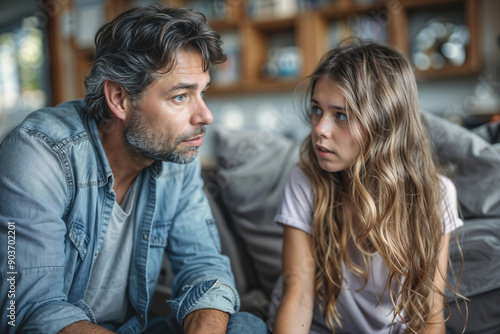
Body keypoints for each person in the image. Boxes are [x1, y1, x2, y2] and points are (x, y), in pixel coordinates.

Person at [0, 5, 269, 334]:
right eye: (181, 96)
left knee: (245, 325)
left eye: (203, 92)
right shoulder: (38, 154)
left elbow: (203, 266)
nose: (206, 116)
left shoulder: (176, 155)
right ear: (119, 98)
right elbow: (29, 311)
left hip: (132, 328)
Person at [270, 40, 464, 334]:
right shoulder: (305, 180)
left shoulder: (437, 195)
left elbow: (430, 314)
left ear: (384, 124)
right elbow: (298, 296)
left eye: (341, 115)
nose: (320, 129)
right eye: (316, 110)